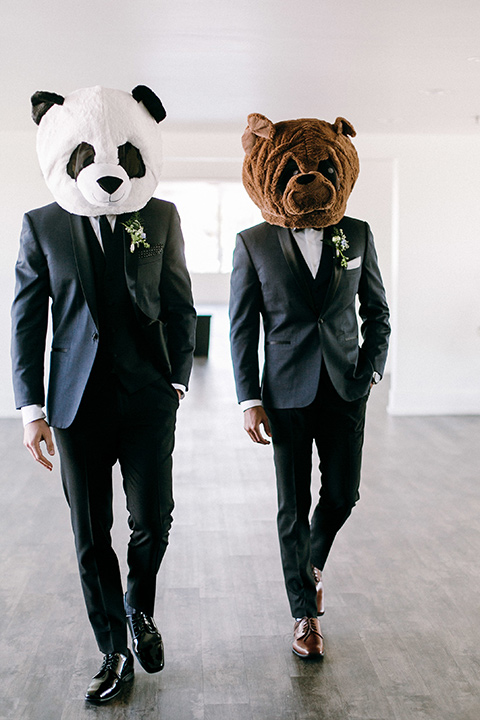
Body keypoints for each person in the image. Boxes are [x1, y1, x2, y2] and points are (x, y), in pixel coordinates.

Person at [11, 86, 196, 703]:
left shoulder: (159, 216)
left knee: (154, 520)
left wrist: (175, 380)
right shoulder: (41, 225)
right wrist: (32, 408)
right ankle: (113, 649)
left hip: (147, 400)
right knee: (91, 534)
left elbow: (178, 302)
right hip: (74, 406)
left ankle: (139, 609)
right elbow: (27, 319)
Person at [229, 113, 390, 658]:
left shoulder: (358, 233)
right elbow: (241, 325)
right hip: (285, 394)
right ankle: (304, 616)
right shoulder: (252, 242)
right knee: (291, 506)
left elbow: (378, 313)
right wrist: (249, 398)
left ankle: (312, 561)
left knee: (344, 493)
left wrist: (370, 368)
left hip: (346, 388)